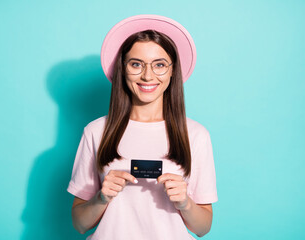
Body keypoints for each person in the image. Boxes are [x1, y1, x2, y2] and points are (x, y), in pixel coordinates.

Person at [67, 15, 218, 240]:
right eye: (136, 64)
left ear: (172, 70)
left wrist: (185, 203)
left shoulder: (195, 135)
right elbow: (80, 224)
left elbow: (203, 228)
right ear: (123, 68)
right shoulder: (96, 131)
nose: (148, 75)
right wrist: (101, 198)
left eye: (159, 65)